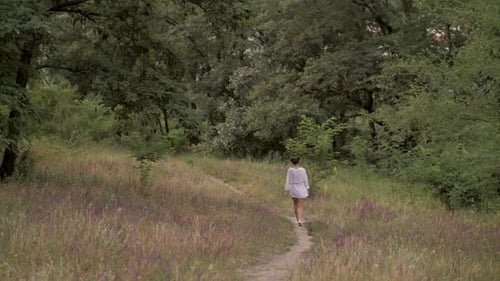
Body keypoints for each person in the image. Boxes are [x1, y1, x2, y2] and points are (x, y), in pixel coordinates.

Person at [285, 157, 309, 227]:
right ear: (299, 162)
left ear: (292, 162)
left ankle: (297, 219)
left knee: (295, 204)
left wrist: (286, 189)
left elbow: (288, 180)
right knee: (300, 206)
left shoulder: (290, 170)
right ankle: (299, 220)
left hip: (293, 188)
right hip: (301, 187)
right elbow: (305, 179)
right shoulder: (303, 170)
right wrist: (307, 188)